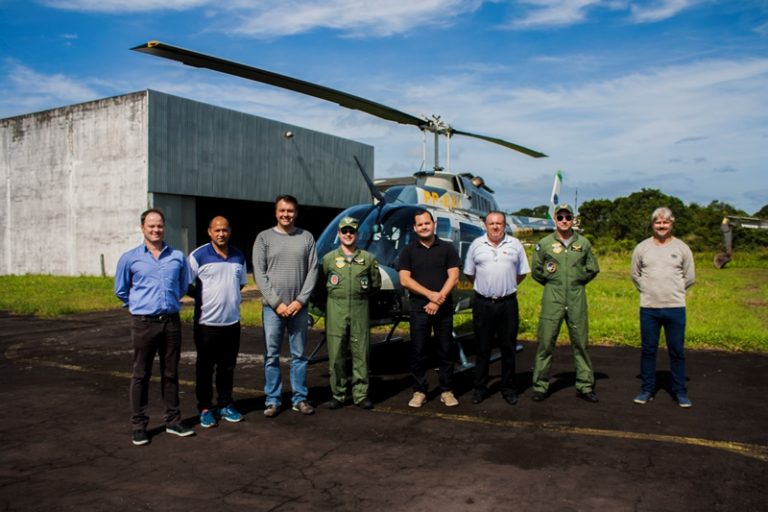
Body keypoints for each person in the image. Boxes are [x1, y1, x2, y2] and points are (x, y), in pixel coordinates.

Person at [114, 208, 195, 446]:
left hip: (170, 322)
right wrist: (139, 306)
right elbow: (121, 290)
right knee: (141, 374)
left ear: (164, 227)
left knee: (171, 373)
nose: (156, 230)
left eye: (159, 225)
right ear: (142, 228)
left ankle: (173, 421)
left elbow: (181, 287)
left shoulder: (177, 257)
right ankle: (139, 426)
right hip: (144, 324)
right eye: (151, 226)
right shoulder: (130, 258)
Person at [253, 194, 318, 418]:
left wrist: (300, 301)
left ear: (296, 213)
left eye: (290, 211)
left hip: (299, 308)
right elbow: (259, 274)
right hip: (273, 310)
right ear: (276, 212)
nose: (286, 214)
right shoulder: (263, 238)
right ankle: (272, 400)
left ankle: (299, 398)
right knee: (272, 356)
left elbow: (313, 271)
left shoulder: (306, 237)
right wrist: (278, 303)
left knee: (299, 355)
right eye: (282, 210)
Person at [530, 204, 600, 403]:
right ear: (554, 219)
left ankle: (585, 386)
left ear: (573, 219)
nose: (564, 220)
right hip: (553, 296)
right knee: (545, 342)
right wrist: (554, 283)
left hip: (577, 296)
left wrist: (577, 281)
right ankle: (540, 386)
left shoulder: (583, 243)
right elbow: (536, 270)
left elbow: (592, 268)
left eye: (567, 217)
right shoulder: (544, 243)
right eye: (560, 217)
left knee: (580, 343)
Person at [630, 207, 695, 408]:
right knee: (648, 350)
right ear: (653, 224)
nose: (662, 225)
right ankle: (647, 389)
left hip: (675, 307)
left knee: (677, 351)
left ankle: (679, 391)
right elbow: (635, 274)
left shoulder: (682, 248)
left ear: (671, 224)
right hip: (649, 307)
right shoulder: (642, 248)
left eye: (665, 222)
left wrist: (673, 291)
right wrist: (649, 290)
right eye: (658, 222)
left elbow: (690, 277)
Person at [463, 211, 530, 406]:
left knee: (508, 347)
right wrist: (486, 287)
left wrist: (505, 286)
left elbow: (522, 273)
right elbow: (469, 273)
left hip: (507, 303)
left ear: (504, 225)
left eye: (499, 223)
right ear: (485, 225)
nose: (495, 227)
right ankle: (480, 388)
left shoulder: (515, 245)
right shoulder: (476, 245)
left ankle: (508, 388)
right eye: (491, 223)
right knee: (482, 347)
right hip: (483, 303)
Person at [397, 209, 461, 408]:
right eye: (420, 224)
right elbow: (405, 279)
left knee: (445, 349)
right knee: (418, 350)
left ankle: (446, 390)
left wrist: (437, 300)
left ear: (434, 224)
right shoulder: (408, 251)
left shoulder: (448, 248)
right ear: (415, 228)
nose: (424, 227)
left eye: (427, 223)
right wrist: (429, 295)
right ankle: (419, 390)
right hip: (418, 308)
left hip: (442, 308)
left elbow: (454, 277)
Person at [188, 216, 248, 428]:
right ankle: (205, 408)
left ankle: (225, 404)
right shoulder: (198, 256)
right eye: (217, 230)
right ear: (209, 232)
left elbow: (240, 285)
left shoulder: (239, 256)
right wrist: (205, 299)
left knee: (227, 367)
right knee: (205, 368)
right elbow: (186, 283)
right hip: (206, 324)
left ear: (229, 231)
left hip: (231, 323)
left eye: (225, 230)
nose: (221, 234)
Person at [321, 216, 381, 410]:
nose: (348, 234)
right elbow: (320, 284)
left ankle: (360, 394)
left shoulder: (368, 259)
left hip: (359, 308)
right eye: (344, 231)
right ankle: (338, 394)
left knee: (361, 352)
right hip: (335, 309)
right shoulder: (329, 259)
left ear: (356, 234)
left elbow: (375, 285)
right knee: (336, 353)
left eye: (351, 231)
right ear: (339, 233)